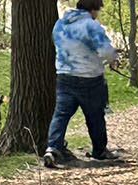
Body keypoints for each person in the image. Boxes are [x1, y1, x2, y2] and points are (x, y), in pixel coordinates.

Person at [44, 0, 122, 169]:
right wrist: (113, 57)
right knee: (95, 116)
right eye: (97, 10)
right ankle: (100, 151)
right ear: (93, 9)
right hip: (89, 77)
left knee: (61, 114)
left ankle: (53, 148)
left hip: (64, 76)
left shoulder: (60, 24)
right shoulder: (91, 25)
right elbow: (106, 51)